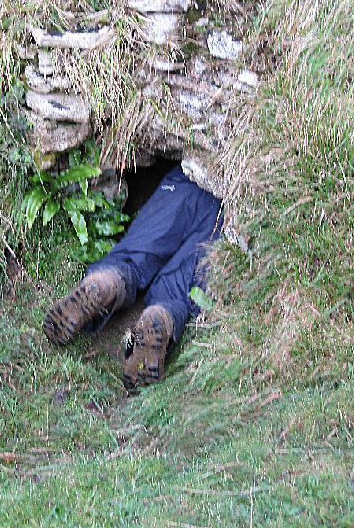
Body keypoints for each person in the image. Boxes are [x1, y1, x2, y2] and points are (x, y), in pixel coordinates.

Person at [43, 165, 224, 391]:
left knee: (136, 252)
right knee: (180, 289)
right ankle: (161, 316)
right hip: (232, 207)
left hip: (190, 178)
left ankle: (106, 282)